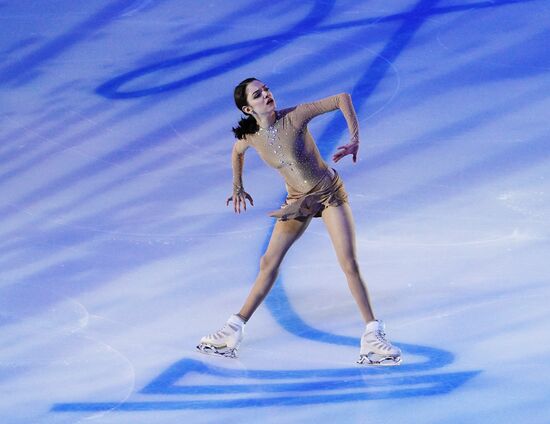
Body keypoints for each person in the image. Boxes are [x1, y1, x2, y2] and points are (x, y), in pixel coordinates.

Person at [196, 78, 402, 366]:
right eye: (258, 94)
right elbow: (237, 151)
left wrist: (355, 138)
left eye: (266, 89)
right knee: (269, 262)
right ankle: (233, 329)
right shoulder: (251, 135)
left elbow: (341, 97)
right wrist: (237, 185)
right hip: (298, 202)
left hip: (329, 195)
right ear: (247, 108)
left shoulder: (295, 116)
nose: (266, 94)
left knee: (348, 263)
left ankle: (372, 334)